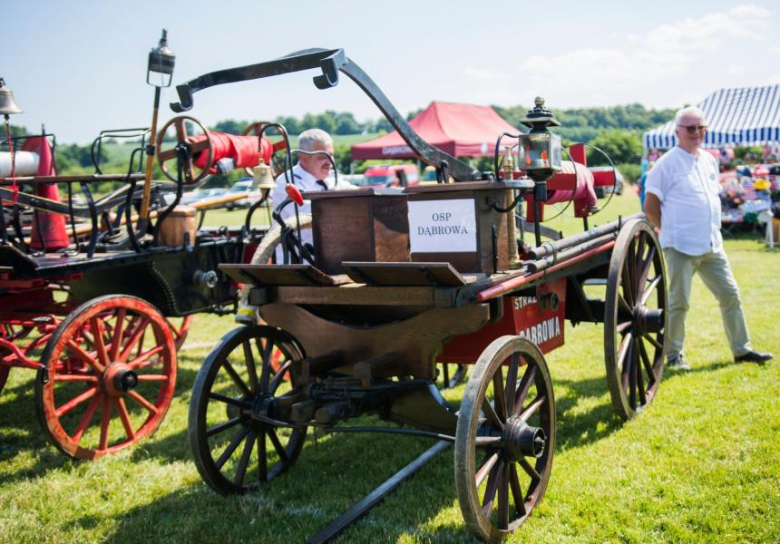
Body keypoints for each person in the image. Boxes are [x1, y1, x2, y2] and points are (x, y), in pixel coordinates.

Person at [644, 106, 772, 370]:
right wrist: (666, 230)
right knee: (679, 303)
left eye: (701, 127)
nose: (696, 133)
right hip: (680, 245)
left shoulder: (708, 159)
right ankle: (673, 356)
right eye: (690, 128)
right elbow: (651, 206)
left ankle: (742, 349)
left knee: (731, 295)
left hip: (712, 243)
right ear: (677, 131)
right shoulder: (666, 164)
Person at [270, 128, 352, 220]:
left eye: (331, 155)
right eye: (322, 156)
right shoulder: (286, 183)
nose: (330, 161)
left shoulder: (332, 178)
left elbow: (359, 195)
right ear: (304, 158)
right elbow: (309, 212)